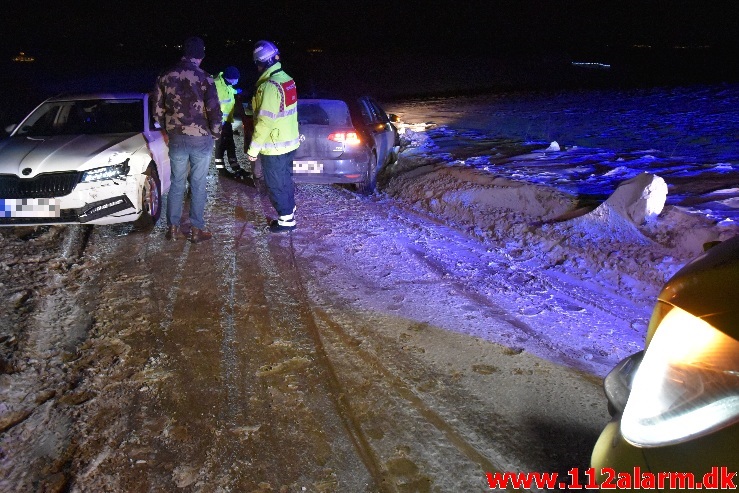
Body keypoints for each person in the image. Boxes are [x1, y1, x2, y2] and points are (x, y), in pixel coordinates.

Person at [154, 36, 222, 243]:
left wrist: (168, 129)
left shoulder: (164, 76)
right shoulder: (205, 77)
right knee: (198, 184)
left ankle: (172, 228)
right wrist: (216, 133)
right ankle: (195, 229)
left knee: (176, 182)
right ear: (200, 55)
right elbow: (214, 111)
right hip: (201, 138)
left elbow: (157, 110)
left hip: (176, 138)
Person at [246, 40, 300, 233]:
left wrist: (253, 150)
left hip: (274, 145)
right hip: (289, 142)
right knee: (284, 178)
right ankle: (289, 208)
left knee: (275, 183)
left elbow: (264, 122)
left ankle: (286, 220)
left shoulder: (269, 86)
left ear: (262, 63)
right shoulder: (287, 80)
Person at [214, 66, 248, 178]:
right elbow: (213, 106)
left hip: (226, 122)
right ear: (231, 78)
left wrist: (236, 91)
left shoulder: (226, 84)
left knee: (230, 145)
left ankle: (235, 167)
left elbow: (228, 90)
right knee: (220, 147)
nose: (237, 81)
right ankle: (221, 170)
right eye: (236, 79)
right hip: (219, 123)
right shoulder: (217, 86)